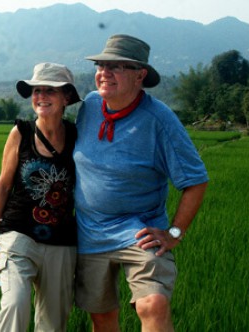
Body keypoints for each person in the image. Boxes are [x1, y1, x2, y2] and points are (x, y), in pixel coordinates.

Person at [73, 34, 209, 331]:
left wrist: (174, 233)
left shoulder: (159, 120)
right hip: (90, 233)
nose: (105, 73)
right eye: (101, 65)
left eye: (118, 67)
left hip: (139, 232)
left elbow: (196, 181)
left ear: (140, 75)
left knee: (153, 304)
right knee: (102, 316)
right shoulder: (91, 106)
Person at [0, 62, 81, 332]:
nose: (41, 97)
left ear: (66, 98)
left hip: (61, 240)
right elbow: (4, 185)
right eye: (37, 90)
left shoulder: (76, 135)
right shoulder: (21, 133)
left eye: (51, 90)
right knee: (15, 303)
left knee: (53, 322)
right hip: (18, 233)